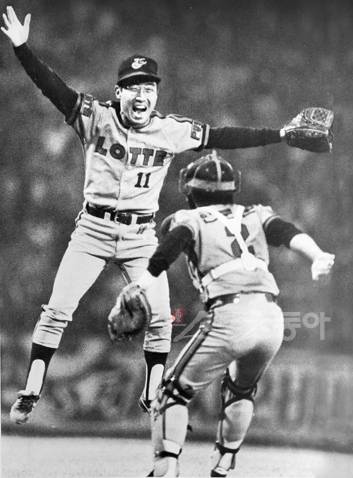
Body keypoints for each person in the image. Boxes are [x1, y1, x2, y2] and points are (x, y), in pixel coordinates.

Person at [1, 5, 306, 425]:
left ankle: (152, 395)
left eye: (148, 87)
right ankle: (32, 389)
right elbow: (53, 88)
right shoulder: (95, 117)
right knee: (57, 310)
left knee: (162, 319)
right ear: (119, 92)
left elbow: (224, 136)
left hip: (140, 236)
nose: (141, 94)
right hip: (92, 229)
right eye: (133, 87)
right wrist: (22, 49)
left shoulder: (171, 129)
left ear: (156, 94)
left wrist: (280, 135)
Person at [126, 151, 335, 477]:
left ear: (192, 190)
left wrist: (140, 285)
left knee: (171, 392)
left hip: (231, 313)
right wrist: (317, 255)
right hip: (271, 316)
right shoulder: (255, 213)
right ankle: (223, 464)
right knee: (241, 390)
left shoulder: (189, 218)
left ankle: (166, 469)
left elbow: (168, 249)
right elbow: (288, 232)